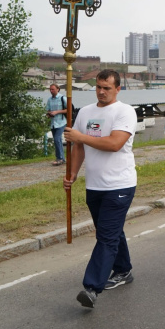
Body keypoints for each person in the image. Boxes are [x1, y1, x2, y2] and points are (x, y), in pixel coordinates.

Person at [63, 70, 138, 309]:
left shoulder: (125, 111)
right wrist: (73, 173)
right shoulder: (85, 112)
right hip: (94, 185)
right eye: (98, 87)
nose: (102, 92)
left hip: (120, 185)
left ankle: (92, 287)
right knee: (111, 231)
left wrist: (80, 138)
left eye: (107, 87)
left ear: (118, 89)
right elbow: (78, 148)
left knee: (105, 236)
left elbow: (114, 144)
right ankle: (124, 270)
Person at [45, 83, 67, 166]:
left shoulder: (62, 98)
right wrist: (49, 114)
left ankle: (60, 158)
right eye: (50, 89)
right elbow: (47, 110)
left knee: (57, 139)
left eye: (53, 89)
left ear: (58, 89)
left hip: (61, 122)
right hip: (53, 123)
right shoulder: (50, 99)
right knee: (57, 140)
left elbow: (68, 109)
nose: (51, 91)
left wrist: (57, 112)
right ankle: (62, 158)